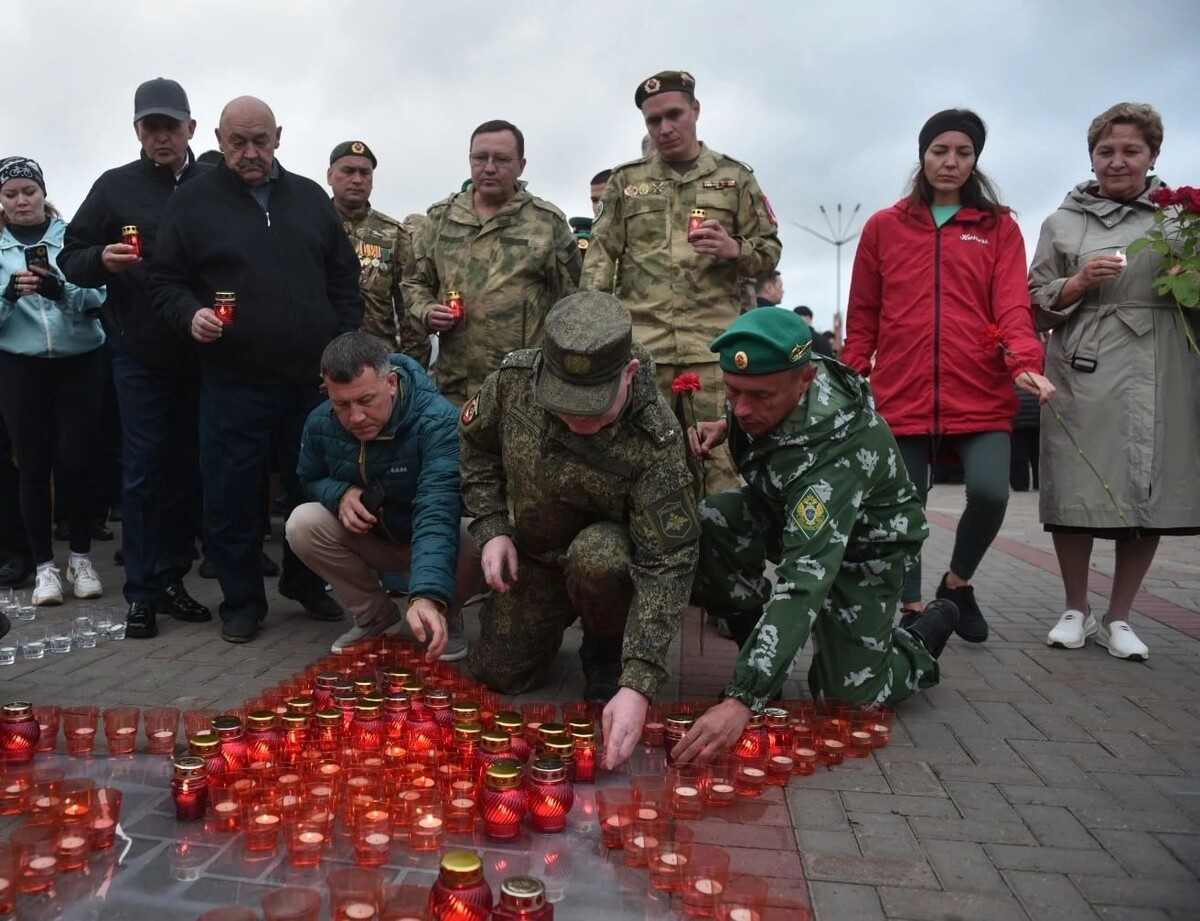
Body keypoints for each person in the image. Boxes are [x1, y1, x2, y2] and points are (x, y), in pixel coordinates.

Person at [673, 309, 958, 762]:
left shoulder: (837, 449)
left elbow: (804, 581)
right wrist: (724, 425)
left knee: (845, 703)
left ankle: (918, 641)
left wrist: (740, 700)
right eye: (732, 392)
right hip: (788, 517)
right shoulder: (772, 381)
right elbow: (762, 413)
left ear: (805, 380)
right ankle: (759, 647)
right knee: (712, 520)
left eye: (757, 397)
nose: (742, 408)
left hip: (864, 552)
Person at [148, 96, 363, 643]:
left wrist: (338, 352)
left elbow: (343, 280)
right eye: (238, 142)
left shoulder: (311, 199)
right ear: (218, 138)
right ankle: (242, 601)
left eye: (260, 141)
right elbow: (163, 282)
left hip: (313, 386)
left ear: (279, 137)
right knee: (231, 496)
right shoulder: (192, 201)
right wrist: (189, 314)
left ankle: (305, 583)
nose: (250, 153)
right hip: (233, 380)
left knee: (312, 491)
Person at [459, 291, 698, 769]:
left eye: (590, 409)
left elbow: (668, 562)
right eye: (563, 406)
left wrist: (639, 682)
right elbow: (477, 447)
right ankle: (540, 623)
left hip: (604, 564)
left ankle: (605, 647)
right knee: (496, 673)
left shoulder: (657, 437)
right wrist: (492, 527)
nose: (573, 420)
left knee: (600, 557)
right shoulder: (514, 380)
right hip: (533, 556)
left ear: (628, 374)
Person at [842, 108, 1054, 643]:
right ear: (923, 154)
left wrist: (1025, 362)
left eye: (963, 152)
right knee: (903, 508)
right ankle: (914, 610)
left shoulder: (998, 226)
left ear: (975, 159)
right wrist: (850, 373)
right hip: (902, 391)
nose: (951, 161)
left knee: (991, 493)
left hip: (979, 387)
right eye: (941, 150)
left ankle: (957, 584)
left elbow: (1011, 305)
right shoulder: (884, 227)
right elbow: (864, 313)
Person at [1029, 102, 1199, 661]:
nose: (1117, 161)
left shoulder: (1181, 221)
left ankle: (1120, 616)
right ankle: (1075, 607)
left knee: (1148, 490)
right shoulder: (1062, 221)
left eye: (1131, 151)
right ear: (1091, 156)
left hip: (1162, 367)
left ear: (1153, 156)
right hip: (1085, 369)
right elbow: (1032, 306)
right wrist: (1076, 283)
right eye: (1106, 151)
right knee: (1077, 485)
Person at [58, 77, 212, 639]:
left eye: (171, 125)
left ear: (191, 128)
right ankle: (142, 593)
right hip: (139, 353)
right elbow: (70, 257)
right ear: (137, 132)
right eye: (152, 126)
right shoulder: (114, 186)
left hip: (204, 355)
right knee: (144, 471)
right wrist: (102, 258)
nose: (162, 136)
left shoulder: (215, 181)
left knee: (187, 471)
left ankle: (173, 578)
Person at [583, 70, 782, 495]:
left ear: (696, 110)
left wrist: (735, 250)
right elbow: (599, 260)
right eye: (653, 121)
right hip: (644, 353)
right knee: (642, 467)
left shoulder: (735, 178)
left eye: (674, 115)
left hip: (715, 352)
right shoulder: (627, 182)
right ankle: (655, 560)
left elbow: (770, 253)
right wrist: (596, 335)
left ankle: (721, 560)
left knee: (720, 471)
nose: (665, 129)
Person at [287, 333, 470, 659]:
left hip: (431, 540)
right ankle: (375, 615)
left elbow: (437, 508)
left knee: (479, 537)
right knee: (302, 522)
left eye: (366, 400)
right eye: (341, 404)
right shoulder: (320, 421)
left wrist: (427, 594)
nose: (355, 417)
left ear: (392, 383)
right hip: (374, 540)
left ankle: (443, 613)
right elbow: (309, 478)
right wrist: (340, 493)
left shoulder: (438, 421)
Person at [403, 119, 581, 406]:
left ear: (521, 165)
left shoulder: (546, 222)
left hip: (525, 386)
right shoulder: (440, 218)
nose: (488, 167)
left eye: (500, 159)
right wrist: (425, 311)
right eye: (479, 158)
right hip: (455, 388)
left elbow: (573, 302)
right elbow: (414, 282)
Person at [0, 157, 107, 606]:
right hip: (21, 366)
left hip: (80, 361)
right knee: (32, 464)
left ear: (44, 193)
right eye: (11, 194)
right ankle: (44, 567)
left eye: (30, 191)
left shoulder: (71, 238)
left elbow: (99, 296)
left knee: (76, 461)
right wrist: (8, 297)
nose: (22, 200)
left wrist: (59, 291)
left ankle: (80, 558)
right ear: (1, 202)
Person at [327, 140, 431, 368]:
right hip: (322, 359)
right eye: (348, 171)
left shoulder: (393, 234)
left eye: (365, 173)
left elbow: (409, 307)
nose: (357, 179)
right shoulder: (312, 224)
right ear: (330, 176)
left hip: (378, 361)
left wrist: (411, 369)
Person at [1009, 386, 1040, 492]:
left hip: (1017, 422)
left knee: (1018, 455)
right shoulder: (1037, 377)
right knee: (1037, 454)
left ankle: (1020, 483)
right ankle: (1039, 481)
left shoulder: (1012, 378)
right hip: (1036, 420)